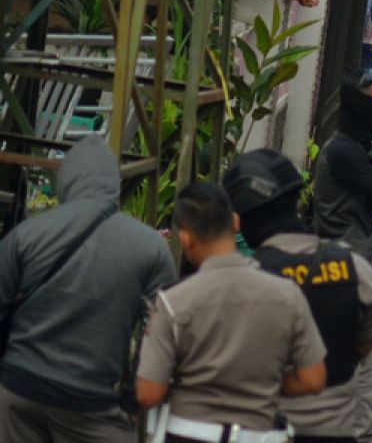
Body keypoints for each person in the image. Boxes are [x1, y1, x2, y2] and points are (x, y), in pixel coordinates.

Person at [0, 136, 176, 443]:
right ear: (114, 183)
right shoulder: (151, 248)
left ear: (65, 179)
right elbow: (160, 333)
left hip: (19, 395)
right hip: (93, 405)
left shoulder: (24, 236)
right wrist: (132, 401)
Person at [222, 150, 372, 443]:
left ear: (238, 220)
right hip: (336, 432)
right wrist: (360, 429)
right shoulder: (354, 269)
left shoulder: (240, 282)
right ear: (296, 201)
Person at [136, 183, 327, 440]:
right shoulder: (287, 295)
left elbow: (149, 393)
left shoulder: (172, 302)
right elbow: (313, 379)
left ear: (185, 238)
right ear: (235, 223)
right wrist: (262, 386)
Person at [311, 68, 372, 262]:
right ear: (361, 107)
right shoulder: (342, 150)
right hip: (341, 262)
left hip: (362, 253)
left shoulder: (363, 142)